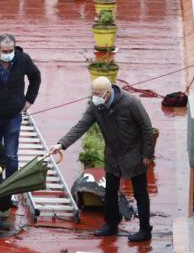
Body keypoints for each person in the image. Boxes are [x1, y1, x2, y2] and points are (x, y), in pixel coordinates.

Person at [49, 76, 155, 242]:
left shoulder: (131, 102)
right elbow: (80, 126)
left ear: (108, 92)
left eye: (98, 93)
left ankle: (144, 229)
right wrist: (61, 144)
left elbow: (146, 127)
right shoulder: (96, 107)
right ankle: (111, 224)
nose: (95, 96)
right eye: (93, 93)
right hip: (113, 154)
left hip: (133, 153)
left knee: (140, 192)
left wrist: (147, 153)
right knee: (110, 190)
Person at [0, 34, 41, 176]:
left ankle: (10, 190)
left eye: (11, 51)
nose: (9, 54)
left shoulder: (23, 59)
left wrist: (29, 100)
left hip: (13, 117)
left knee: (11, 156)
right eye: (5, 51)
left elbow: (35, 77)